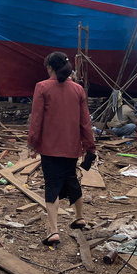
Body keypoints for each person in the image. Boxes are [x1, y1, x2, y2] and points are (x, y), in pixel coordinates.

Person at [27, 51, 96, 247]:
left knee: (52, 186)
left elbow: (37, 119)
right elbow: (85, 122)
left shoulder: (42, 87)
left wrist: (32, 143)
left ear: (50, 67)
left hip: (49, 148)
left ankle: (54, 230)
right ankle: (80, 217)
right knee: (71, 179)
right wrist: (89, 146)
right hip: (72, 146)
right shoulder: (78, 90)